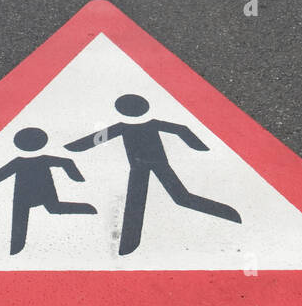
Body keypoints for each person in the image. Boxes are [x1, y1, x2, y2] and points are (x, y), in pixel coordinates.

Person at [65, 94, 241, 256]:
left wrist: (74, 147)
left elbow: (95, 139)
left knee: (167, 198)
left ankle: (227, 213)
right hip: (147, 167)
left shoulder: (123, 127)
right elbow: (182, 130)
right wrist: (198, 146)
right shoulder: (147, 125)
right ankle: (128, 244)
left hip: (148, 166)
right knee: (159, 199)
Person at [0, 127, 96, 255]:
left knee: (30, 214)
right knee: (50, 209)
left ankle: (88, 209)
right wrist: (76, 178)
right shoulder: (40, 159)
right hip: (37, 191)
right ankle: (16, 248)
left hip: (26, 193)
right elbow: (67, 162)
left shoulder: (20, 162)